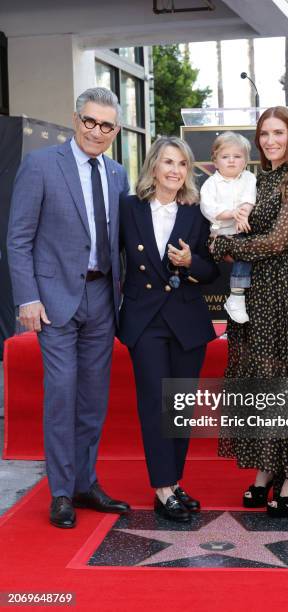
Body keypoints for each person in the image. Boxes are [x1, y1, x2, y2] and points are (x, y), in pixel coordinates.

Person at [7, 87, 131, 528]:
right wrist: (28, 297)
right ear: (76, 120)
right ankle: (60, 492)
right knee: (62, 394)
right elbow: (19, 238)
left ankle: (85, 482)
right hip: (54, 300)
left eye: (107, 125)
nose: (97, 131)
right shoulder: (41, 165)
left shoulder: (118, 174)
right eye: (90, 121)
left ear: (115, 131)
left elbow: (122, 241)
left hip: (102, 298)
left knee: (93, 398)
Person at [211, 107, 288, 518]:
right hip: (248, 297)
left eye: (278, 133)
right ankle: (266, 469)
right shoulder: (257, 179)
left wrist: (227, 248)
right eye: (264, 133)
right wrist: (221, 240)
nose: (269, 141)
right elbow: (223, 221)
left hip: (281, 294)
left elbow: (279, 241)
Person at [117, 136, 219, 523]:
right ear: (153, 167)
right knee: (155, 406)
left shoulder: (197, 212)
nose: (175, 170)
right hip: (145, 321)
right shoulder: (129, 208)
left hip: (186, 322)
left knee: (179, 407)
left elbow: (212, 272)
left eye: (182, 163)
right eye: (168, 162)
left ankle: (173, 484)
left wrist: (192, 262)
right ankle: (162, 487)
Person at [200, 132, 256, 324]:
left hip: (242, 231)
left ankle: (239, 296)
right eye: (225, 157)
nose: (231, 161)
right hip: (220, 235)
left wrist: (244, 213)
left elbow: (250, 199)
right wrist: (234, 214)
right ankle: (237, 296)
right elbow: (209, 209)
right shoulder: (210, 184)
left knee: (249, 248)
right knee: (241, 250)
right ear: (215, 162)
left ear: (246, 160)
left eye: (237, 156)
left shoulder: (249, 178)